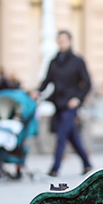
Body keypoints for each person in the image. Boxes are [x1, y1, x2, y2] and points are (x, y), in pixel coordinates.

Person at [33, 30, 93, 177]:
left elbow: (87, 84)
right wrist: (37, 91)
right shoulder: (54, 61)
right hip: (58, 104)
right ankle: (87, 164)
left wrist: (78, 99)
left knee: (61, 135)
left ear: (70, 41)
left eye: (64, 40)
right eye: (59, 40)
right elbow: (47, 81)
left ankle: (55, 169)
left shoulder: (78, 61)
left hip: (70, 105)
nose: (61, 43)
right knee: (72, 136)